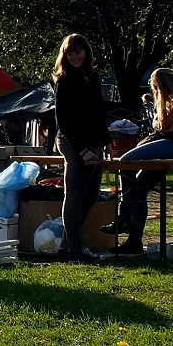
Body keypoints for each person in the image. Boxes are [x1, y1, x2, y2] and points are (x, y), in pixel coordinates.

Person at [104, 67, 173, 255]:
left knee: (126, 161)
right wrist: (165, 124)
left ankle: (124, 216)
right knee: (139, 188)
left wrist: (166, 122)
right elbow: (159, 124)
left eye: (158, 89)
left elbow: (164, 123)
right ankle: (134, 241)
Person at [52, 33, 110, 262]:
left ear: (86, 52)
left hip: (93, 141)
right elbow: (63, 120)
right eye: (71, 53)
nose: (75, 56)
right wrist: (80, 150)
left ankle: (66, 245)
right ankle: (75, 249)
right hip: (71, 140)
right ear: (65, 56)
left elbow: (98, 112)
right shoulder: (65, 80)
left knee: (91, 194)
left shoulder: (92, 77)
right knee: (75, 194)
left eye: (79, 51)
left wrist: (106, 142)